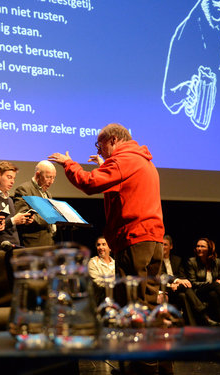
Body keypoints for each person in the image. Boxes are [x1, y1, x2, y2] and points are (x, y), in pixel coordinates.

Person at [49, 123, 164, 310]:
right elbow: (125, 191)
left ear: (113, 140)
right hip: (154, 240)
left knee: (131, 303)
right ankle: (151, 338)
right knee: (149, 304)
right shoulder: (144, 161)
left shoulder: (123, 160)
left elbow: (89, 183)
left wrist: (68, 164)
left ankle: (133, 339)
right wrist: (105, 167)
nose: (99, 151)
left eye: (99, 145)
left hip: (133, 238)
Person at [161, 235, 216, 326]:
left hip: (177, 288)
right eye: (161, 244)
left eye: (165, 244)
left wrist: (178, 283)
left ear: (171, 246)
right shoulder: (156, 260)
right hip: (165, 288)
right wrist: (174, 283)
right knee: (184, 288)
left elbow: (182, 276)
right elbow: (161, 275)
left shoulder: (177, 260)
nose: (163, 247)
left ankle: (192, 324)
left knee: (183, 295)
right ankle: (203, 312)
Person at [185, 238, 220, 326]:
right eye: (198, 246)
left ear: (209, 249)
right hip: (199, 291)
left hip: (214, 290)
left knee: (213, 294)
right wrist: (213, 284)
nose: (199, 248)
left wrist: (218, 284)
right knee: (215, 285)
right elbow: (192, 282)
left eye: (202, 246)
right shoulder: (192, 262)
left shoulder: (217, 262)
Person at [0, 161, 33, 250]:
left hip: (14, 246)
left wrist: (23, 220)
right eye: (9, 177)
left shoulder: (10, 200)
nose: (12, 181)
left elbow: (11, 227)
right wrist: (13, 221)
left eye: (13, 178)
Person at [13, 160, 56, 247]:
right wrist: (52, 217)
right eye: (48, 177)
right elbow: (24, 216)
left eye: (53, 177)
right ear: (37, 175)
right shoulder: (24, 190)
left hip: (48, 242)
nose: (51, 181)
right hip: (33, 244)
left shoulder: (47, 194)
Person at [88, 236, 115, 306]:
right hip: (100, 303)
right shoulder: (93, 262)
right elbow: (99, 282)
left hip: (115, 301)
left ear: (110, 248)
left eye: (104, 244)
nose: (100, 247)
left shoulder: (115, 263)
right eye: (98, 245)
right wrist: (115, 282)